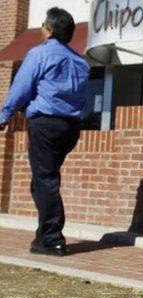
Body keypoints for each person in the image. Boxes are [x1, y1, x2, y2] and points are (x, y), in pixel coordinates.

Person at [0, 8, 89, 256]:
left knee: (45, 180)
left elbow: (21, 87)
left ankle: (52, 239)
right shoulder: (81, 61)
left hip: (46, 125)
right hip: (70, 128)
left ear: (48, 29)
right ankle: (44, 234)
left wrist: (4, 115)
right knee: (43, 180)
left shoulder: (39, 53)